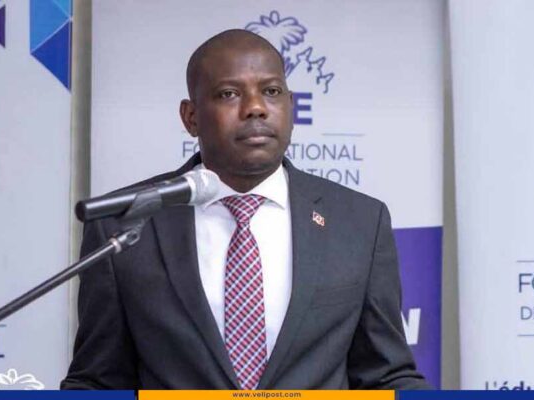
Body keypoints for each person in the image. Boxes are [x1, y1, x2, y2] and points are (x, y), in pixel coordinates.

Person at [61, 29, 429, 390]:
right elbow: (98, 380)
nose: (255, 107)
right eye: (229, 94)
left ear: (290, 105)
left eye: (271, 91)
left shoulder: (359, 221)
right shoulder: (125, 224)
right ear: (191, 117)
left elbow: (386, 376)